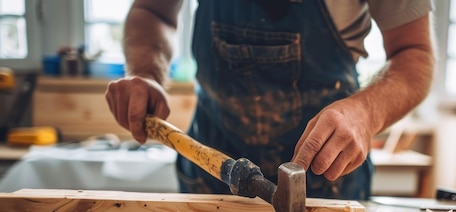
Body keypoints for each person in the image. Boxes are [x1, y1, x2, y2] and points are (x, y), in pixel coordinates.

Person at [105, 0, 436, 200]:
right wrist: (146, 72)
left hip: (326, 181)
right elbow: (153, 11)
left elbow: (415, 54)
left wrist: (366, 112)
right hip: (211, 171)